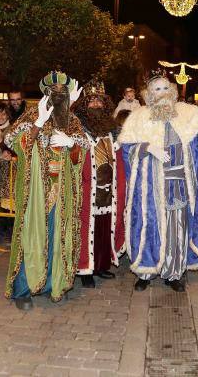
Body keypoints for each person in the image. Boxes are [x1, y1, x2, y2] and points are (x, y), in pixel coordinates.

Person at [119, 71, 198, 293]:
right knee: (149, 227)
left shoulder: (189, 114)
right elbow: (126, 150)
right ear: (149, 94)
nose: (161, 93)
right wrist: (148, 147)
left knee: (176, 230)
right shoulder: (138, 117)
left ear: (172, 91)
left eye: (164, 88)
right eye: (156, 89)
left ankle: (174, 273)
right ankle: (146, 272)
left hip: (179, 185)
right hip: (150, 188)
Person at [3, 71, 88, 309]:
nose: (58, 95)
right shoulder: (32, 114)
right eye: (54, 90)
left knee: (58, 236)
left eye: (64, 91)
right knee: (31, 235)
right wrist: (38, 124)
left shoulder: (72, 120)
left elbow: (83, 148)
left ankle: (53, 283)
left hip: (62, 192)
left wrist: (72, 144)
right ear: (45, 92)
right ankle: (23, 290)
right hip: (36, 191)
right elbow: (11, 141)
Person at [72, 80, 126, 287]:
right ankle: (85, 270)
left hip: (108, 189)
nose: (95, 105)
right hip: (87, 189)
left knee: (104, 228)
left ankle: (101, 265)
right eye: (91, 101)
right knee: (87, 229)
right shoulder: (76, 128)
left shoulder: (112, 128)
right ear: (84, 105)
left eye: (99, 101)